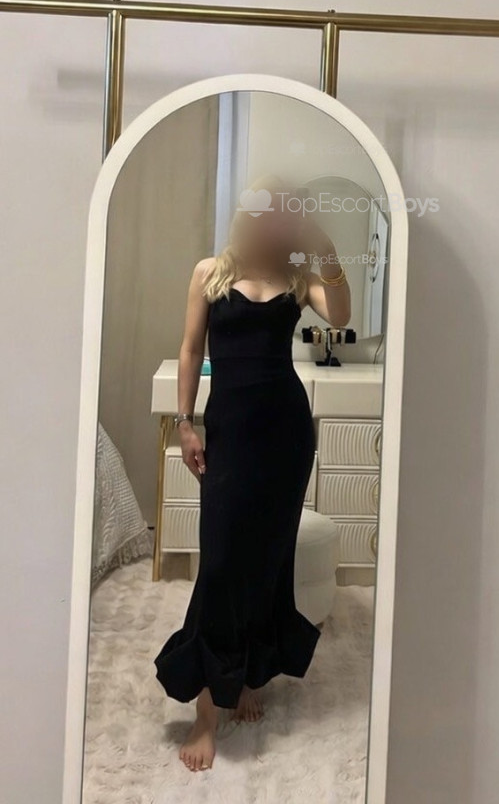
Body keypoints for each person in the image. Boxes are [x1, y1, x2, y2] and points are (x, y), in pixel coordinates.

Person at [154, 183, 351, 772]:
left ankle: (247, 676)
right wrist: (185, 423)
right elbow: (190, 350)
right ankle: (206, 712)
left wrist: (326, 250)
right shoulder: (210, 273)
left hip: (284, 436)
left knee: (269, 559)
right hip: (230, 433)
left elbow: (341, 317)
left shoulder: (298, 280)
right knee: (220, 563)